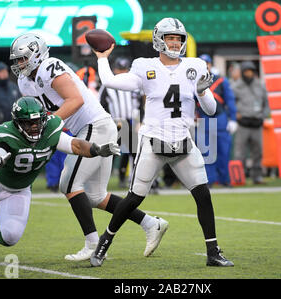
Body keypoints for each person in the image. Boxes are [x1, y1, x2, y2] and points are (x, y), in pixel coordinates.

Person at [9, 32, 167, 261]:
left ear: (37, 54)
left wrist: (49, 124)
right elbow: (41, 111)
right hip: (90, 129)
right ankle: (151, 223)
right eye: (17, 59)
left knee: (69, 183)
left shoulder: (49, 66)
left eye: (23, 58)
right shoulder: (24, 81)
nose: (19, 64)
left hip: (95, 126)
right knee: (95, 195)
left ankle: (93, 243)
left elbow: (76, 100)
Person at [90, 17, 234, 267]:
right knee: (134, 198)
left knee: (203, 195)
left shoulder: (195, 66)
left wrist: (201, 91)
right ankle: (104, 241)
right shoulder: (145, 66)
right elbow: (111, 81)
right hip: (154, 141)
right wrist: (102, 59)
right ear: (159, 40)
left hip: (183, 142)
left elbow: (210, 110)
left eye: (179, 38)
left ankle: (213, 252)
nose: (176, 43)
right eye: (170, 38)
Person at [0, 97, 119, 251]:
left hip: (19, 190)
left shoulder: (51, 128)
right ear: (17, 123)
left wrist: (96, 149)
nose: (34, 127)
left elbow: (76, 145)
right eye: (28, 123)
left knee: (10, 237)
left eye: (37, 121)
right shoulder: (5, 132)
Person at [98, 57, 141, 188]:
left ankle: (133, 180)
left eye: (124, 70)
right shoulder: (108, 86)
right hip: (115, 123)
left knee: (134, 152)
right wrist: (110, 121)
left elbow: (141, 104)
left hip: (131, 122)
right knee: (110, 152)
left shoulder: (135, 86)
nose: (122, 73)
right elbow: (101, 106)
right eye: (119, 70)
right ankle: (99, 181)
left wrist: (141, 121)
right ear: (115, 70)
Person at [198, 54, 237, 186]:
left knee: (223, 152)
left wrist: (233, 119)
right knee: (206, 153)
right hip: (203, 119)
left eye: (206, 63)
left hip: (220, 118)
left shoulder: (221, 80)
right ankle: (209, 180)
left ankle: (224, 179)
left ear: (210, 65)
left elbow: (230, 100)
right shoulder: (193, 81)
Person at [232, 60, 271, 184]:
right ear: (243, 72)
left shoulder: (260, 85)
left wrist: (263, 116)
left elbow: (266, 103)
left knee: (258, 152)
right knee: (240, 153)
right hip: (243, 123)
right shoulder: (236, 86)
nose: (249, 74)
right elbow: (230, 103)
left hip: (256, 123)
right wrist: (235, 115)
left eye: (251, 71)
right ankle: (239, 177)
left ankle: (257, 177)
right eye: (246, 71)